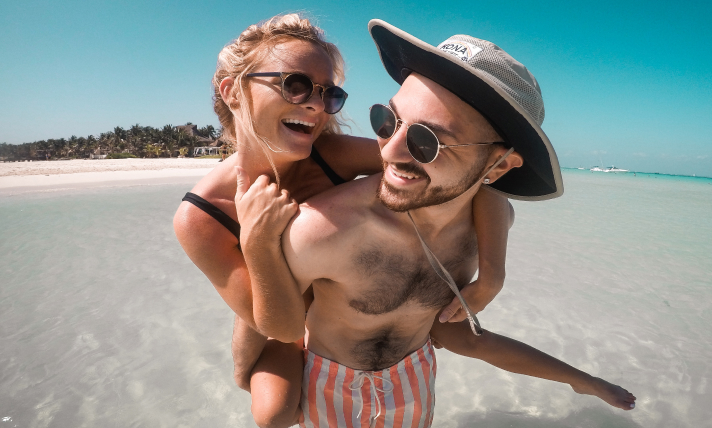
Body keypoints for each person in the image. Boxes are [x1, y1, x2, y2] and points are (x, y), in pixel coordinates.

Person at [251, 20, 636, 427]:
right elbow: (276, 326)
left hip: (413, 376)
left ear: (500, 164)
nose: (390, 152)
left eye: (426, 142)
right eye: (387, 120)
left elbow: (461, 336)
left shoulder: (487, 226)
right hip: (328, 382)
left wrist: (582, 378)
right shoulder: (324, 230)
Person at [174, 14, 514, 428]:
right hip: (271, 313)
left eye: (329, 94)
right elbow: (278, 323)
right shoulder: (202, 216)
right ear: (232, 92)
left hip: (326, 304)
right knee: (273, 412)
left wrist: (492, 276)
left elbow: (470, 181)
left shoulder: (333, 155)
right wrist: (257, 241)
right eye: (294, 85)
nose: (316, 105)